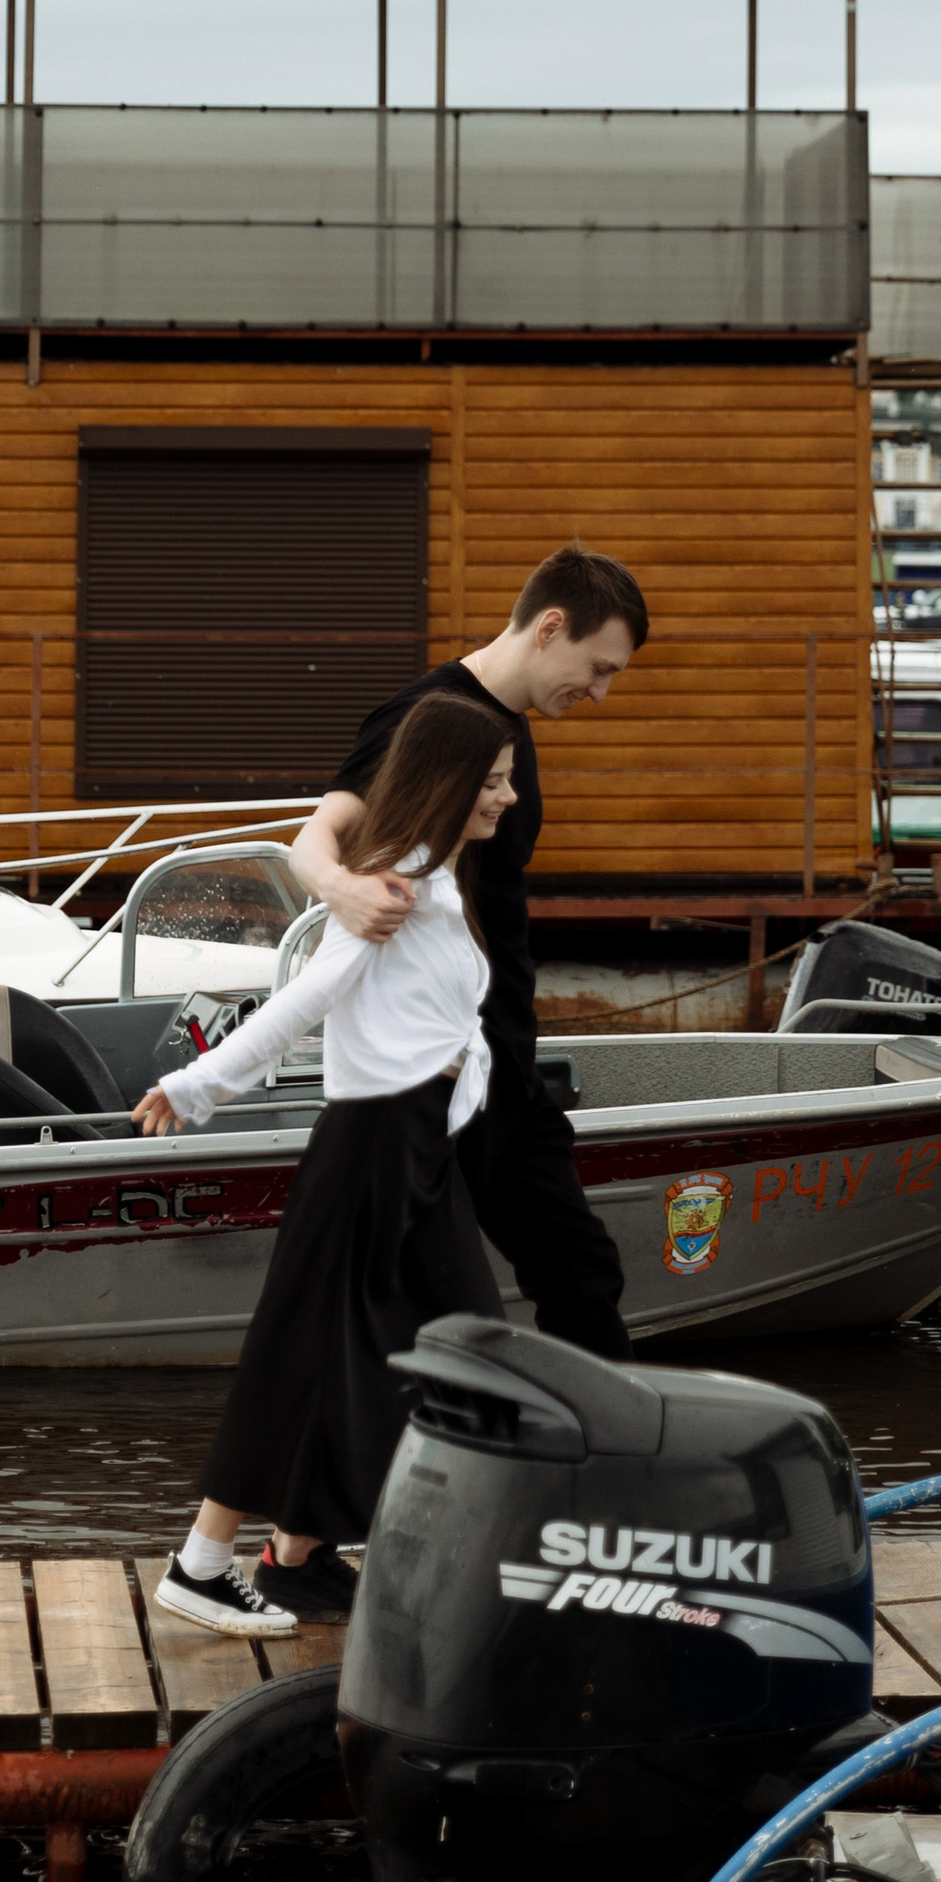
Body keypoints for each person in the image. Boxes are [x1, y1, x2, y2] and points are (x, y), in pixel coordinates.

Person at [138, 690, 515, 1636]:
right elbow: (302, 1000)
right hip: (374, 1145)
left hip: (417, 1145)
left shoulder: (436, 877)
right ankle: (199, 1563)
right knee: (307, 1347)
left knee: (426, 1347)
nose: (507, 798)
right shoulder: (396, 887)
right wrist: (196, 1087)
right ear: (452, 782)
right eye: (495, 782)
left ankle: (302, 1555)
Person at [293, 542, 645, 1365]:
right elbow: (318, 834)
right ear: (551, 626)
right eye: (598, 668)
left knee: (583, 1274)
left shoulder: (510, 724)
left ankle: (611, 1477)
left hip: (506, 1072)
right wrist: (340, 890)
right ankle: (357, 1470)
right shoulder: (428, 717)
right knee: (421, 1301)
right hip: (436, 1075)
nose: (598, 691)